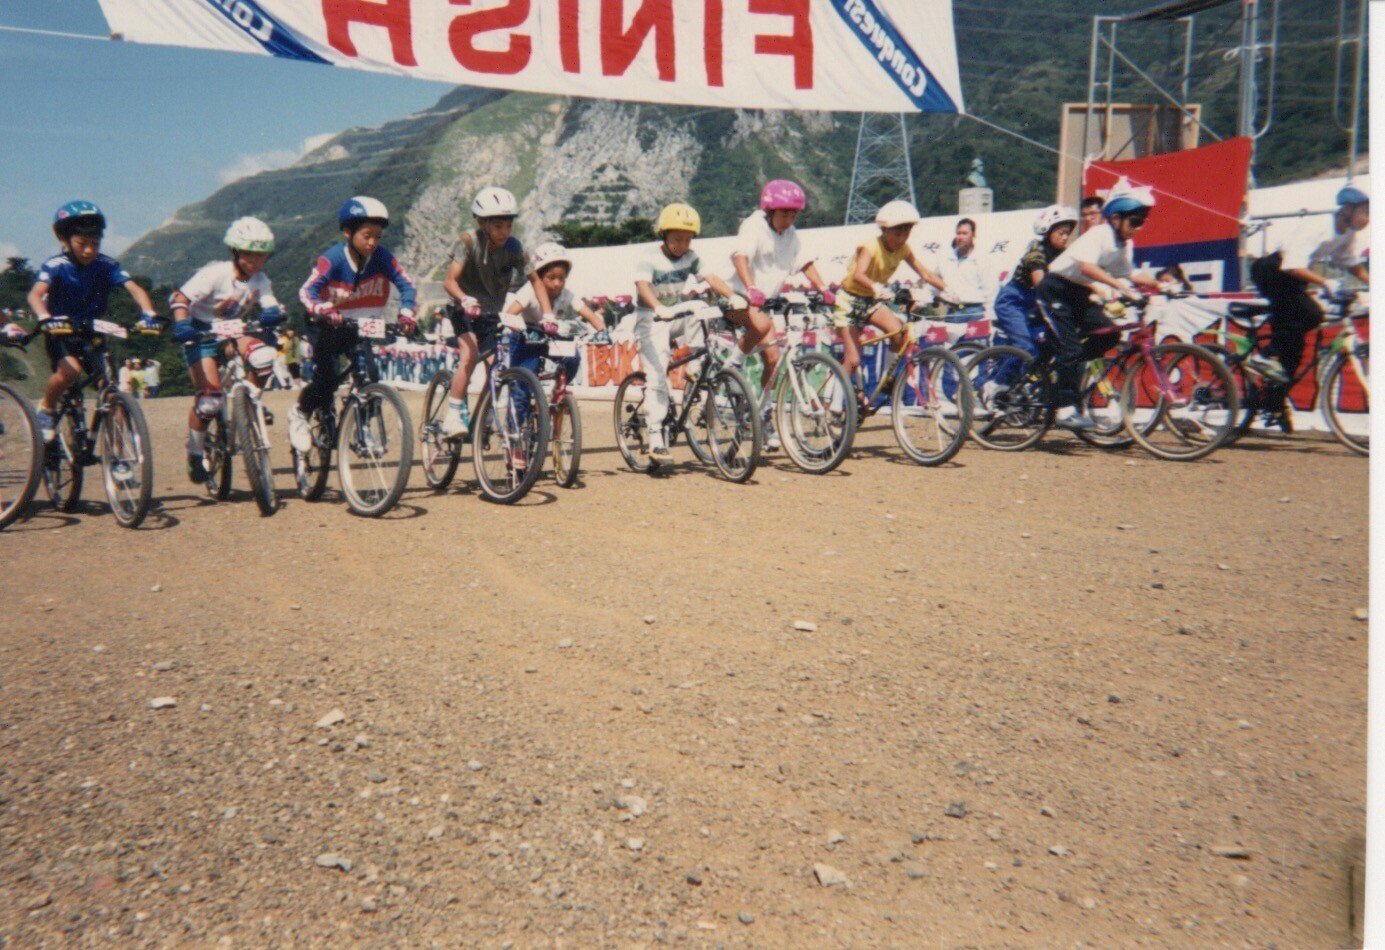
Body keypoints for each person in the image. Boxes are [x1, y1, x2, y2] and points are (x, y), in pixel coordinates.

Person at [290, 197, 417, 453]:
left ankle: (363, 428)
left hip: (359, 327)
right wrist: (323, 308)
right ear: (348, 232)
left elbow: (407, 284)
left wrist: (406, 312)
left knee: (370, 376)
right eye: (367, 235)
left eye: (377, 237)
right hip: (326, 326)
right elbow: (307, 291)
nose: (372, 242)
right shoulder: (333, 259)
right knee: (326, 380)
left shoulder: (382, 257)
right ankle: (300, 414)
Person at [26, 201, 159, 445]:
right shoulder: (56, 266)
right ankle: (46, 407)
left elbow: (134, 289)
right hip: (61, 332)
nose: (89, 250)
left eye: (95, 244)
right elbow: (35, 295)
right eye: (82, 244)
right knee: (70, 372)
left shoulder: (107, 265)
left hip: (91, 332)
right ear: (65, 241)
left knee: (111, 389)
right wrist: (45, 318)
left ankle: (119, 455)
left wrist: (149, 314)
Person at [1039, 178, 1163, 430]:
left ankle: (1067, 370)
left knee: (1108, 336)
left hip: (1077, 293)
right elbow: (1088, 267)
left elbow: (1131, 274)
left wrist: (1161, 286)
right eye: (1135, 221)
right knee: (1071, 349)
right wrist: (1120, 288)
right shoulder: (1100, 234)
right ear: (1116, 218)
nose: (1139, 228)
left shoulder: (1121, 244)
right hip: (1055, 290)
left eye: (1142, 222)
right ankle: (1065, 408)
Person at [170, 217, 284, 482]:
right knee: (210, 399)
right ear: (234, 252)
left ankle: (250, 402)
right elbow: (181, 298)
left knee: (264, 356)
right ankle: (196, 452)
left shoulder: (260, 279)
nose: (256, 262)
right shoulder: (215, 274)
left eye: (261, 256)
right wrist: (182, 324)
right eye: (249, 255)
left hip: (234, 330)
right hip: (202, 332)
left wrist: (272, 313)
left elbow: (270, 302)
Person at [726, 179, 836, 451]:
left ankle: (762, 415)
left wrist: (823, 288)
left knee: (774, 362)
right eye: (784, 213)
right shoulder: (753, 225)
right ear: (770, 210)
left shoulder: (791, 234)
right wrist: (750, 287)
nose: (789, 219)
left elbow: (804, 262)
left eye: (794, 214)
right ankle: (732, 365)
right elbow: (740, 257)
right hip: (739, 298)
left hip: (765, 304)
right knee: (761, 325)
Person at [1249, 184, 1371, 427]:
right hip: (1272, 270)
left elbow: (1351, 264)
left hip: (1291, 277)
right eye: (1364, 211)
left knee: (1294, 353)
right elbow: (1291, 265)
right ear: (1347, 209)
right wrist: (1325, 282)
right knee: (1313, 314)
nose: (1368, 218)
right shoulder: (1319, 227)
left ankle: (1272, 405)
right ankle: (1263, 356)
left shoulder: (1347, 234)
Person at [634, 202, 746, 464]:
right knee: (658, 377)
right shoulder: (649, 256)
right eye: (677, 239)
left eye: (687, 239)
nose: (682, 245)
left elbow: (710, 277)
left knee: (699, 306)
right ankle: (655, 438)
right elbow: (642, 286)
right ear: (664, 235)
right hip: (650, 317)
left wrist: (733, 296)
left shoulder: (691, 257)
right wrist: (658, 307)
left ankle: (695, 366)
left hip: (674, 313)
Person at [439, 186, 548, 439]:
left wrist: (549, 315)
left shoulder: (514, 247)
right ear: (482, 223)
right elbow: (449, 282)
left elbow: (536, 281)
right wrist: (465, 299)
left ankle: (485, 417)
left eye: (508, 225)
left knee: (495, 366)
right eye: (498, 226)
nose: (505, 232)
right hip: (463, 308)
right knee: (470, 354)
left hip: (490, 314)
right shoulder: (467, 241)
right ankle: (453, 415)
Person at [832, 200, 956, 380]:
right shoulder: (870, 247)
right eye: (898, 233)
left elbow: (924, 273)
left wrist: (946, 289)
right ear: (885, 230)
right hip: (850, 300)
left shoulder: (904, 249)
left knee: (899, 335)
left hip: (871, 301)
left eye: (907, 232)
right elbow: (858, 274)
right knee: (853, 359)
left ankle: (886, 378)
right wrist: (875, 286)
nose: (902, 238)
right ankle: (834, 405)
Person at [991, 204, 1078, 369]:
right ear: (1048, 231)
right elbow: (1041, 283)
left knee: (1049, 344)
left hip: (1035, 305)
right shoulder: (1036, 250)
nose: (1065, 237)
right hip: (1013, 301)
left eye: (1068, 233)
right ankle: (996, 385)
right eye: (1061, 233)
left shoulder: (1063, 254)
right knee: (1025, 348)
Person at [936, 217, 997, 312]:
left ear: (973, 235)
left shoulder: (983, 260)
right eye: (958, 233)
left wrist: (989, 315)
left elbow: (991, 291)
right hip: (953, 310)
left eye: (964, 233)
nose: (960, 237)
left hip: (975, 310)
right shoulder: (945, 260)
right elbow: (933, 284)